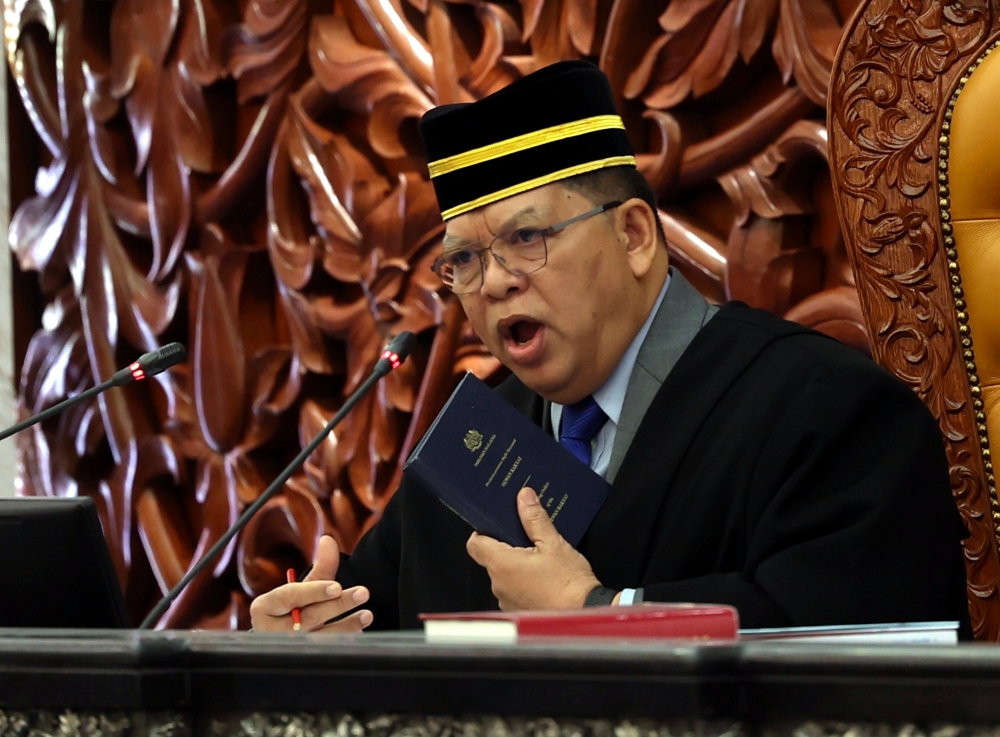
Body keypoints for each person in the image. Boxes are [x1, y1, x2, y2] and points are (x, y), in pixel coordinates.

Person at [250, 61, 971, 635]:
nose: (494, 282)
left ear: (632, 235)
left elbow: (862, 648)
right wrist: (316, 629)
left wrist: (603, 610)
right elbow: (383, 627)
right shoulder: (472, 449)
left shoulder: (820, 409)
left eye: (526, 239)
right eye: (464, 260)